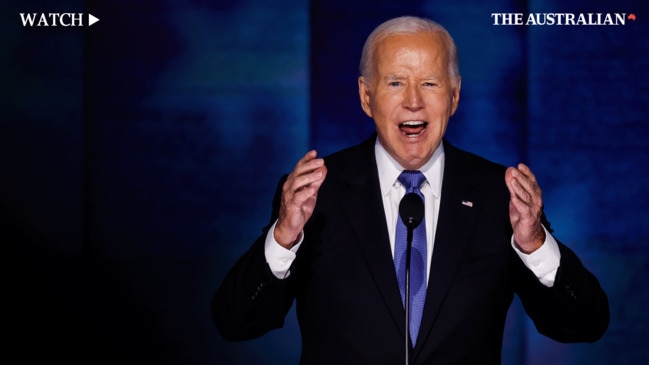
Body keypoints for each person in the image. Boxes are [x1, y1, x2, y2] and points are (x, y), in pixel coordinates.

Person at [211, 15, 609, 364]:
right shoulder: (316, 193)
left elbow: (585, 325)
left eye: (431, 83)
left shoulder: (499, 194)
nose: (414, 102)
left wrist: (535, 245)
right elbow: (235, 323)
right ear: (367, 96)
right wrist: (284, 237)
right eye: (396, 82)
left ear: (454, 96)